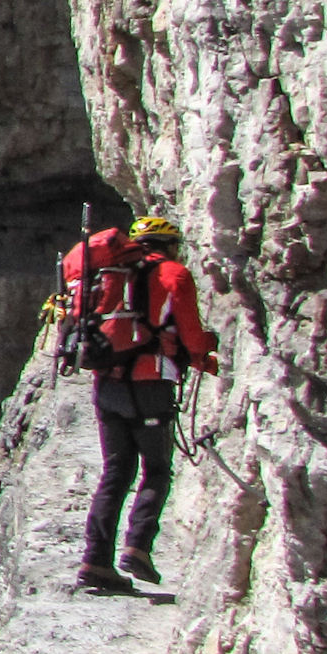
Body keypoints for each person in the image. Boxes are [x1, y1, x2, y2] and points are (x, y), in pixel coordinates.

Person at [79, 215, 220, 591]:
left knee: (115, 472)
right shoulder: (175, 274)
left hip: (107, 384)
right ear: (169, 245)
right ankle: (137, 548)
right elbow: (190, 335)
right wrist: (205, 357)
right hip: (151, 384)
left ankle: (95, 561)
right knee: (156, 470)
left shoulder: (110, 275)